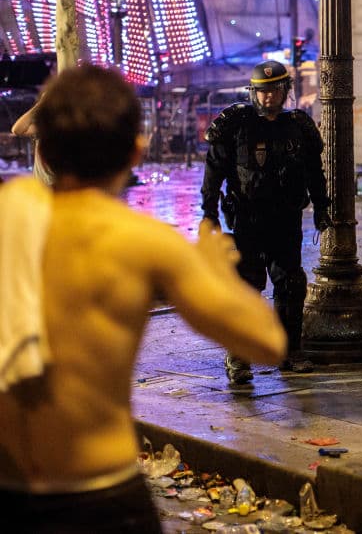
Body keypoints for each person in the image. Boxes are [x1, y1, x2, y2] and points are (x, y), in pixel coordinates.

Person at [0, 64, 286, 532]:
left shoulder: (8, 217)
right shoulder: (143, 243)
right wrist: (217, 275)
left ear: (44, 147)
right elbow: (267, 344)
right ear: (136, 150)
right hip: (104, 495)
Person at [201, 60, 331, 383]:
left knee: (290, 285)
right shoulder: (236, 124)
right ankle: (239, 358)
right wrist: (209, 213)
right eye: (262, 91)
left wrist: (321, 206)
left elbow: (315, 173)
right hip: (248, 220)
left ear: (285, 90)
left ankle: (290, 351)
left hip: (286, 220)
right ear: (253, 93)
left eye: (275, 90)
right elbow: (213, 173)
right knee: (247, 288)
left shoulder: (299, 126)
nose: (269, 97)